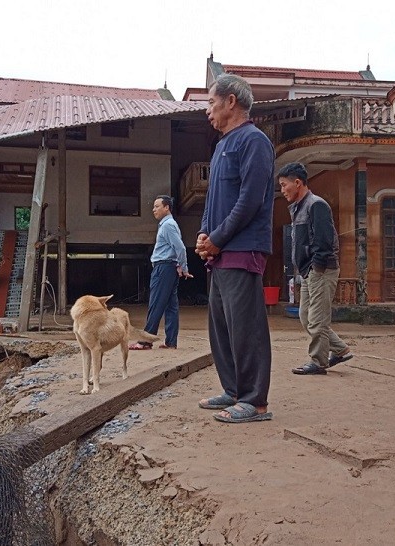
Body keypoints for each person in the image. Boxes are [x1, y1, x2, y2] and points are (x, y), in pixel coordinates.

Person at [196, 73, 275, 424]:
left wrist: (218, 238)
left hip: (242, 249)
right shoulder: (220, 146)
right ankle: (232, 389)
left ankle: (255, 401)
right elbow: (213, 200)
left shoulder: (253, 141)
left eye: (212, 103)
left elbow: (250, 201)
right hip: (220, 251)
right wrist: (203, 235)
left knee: (246, 326)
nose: (208, 112)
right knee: (221, 326)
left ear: (231, 101)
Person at [277, 162, 353, 375]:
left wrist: (316, 268)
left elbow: (324, 240)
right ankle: (340, 349)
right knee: (306, 316)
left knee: (317, 319)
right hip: (309, 271)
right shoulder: (299, 207)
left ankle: (319, 362)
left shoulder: (316, 204)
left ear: (298, 183)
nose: (282, 190)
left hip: (321, 270)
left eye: (284, 185)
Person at [130, 195, 192, 350]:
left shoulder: (167, 225)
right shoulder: (168, 224)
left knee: (156, 303)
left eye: (157, 206)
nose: (154, 209)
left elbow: (180, 248)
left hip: (163, 268)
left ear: (167, 207)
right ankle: (171, 342)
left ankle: (145, 341)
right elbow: (175, 249)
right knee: (171, 306)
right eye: (154, 206)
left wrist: (183, 267)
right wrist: (179, 265)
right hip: (169, 267)